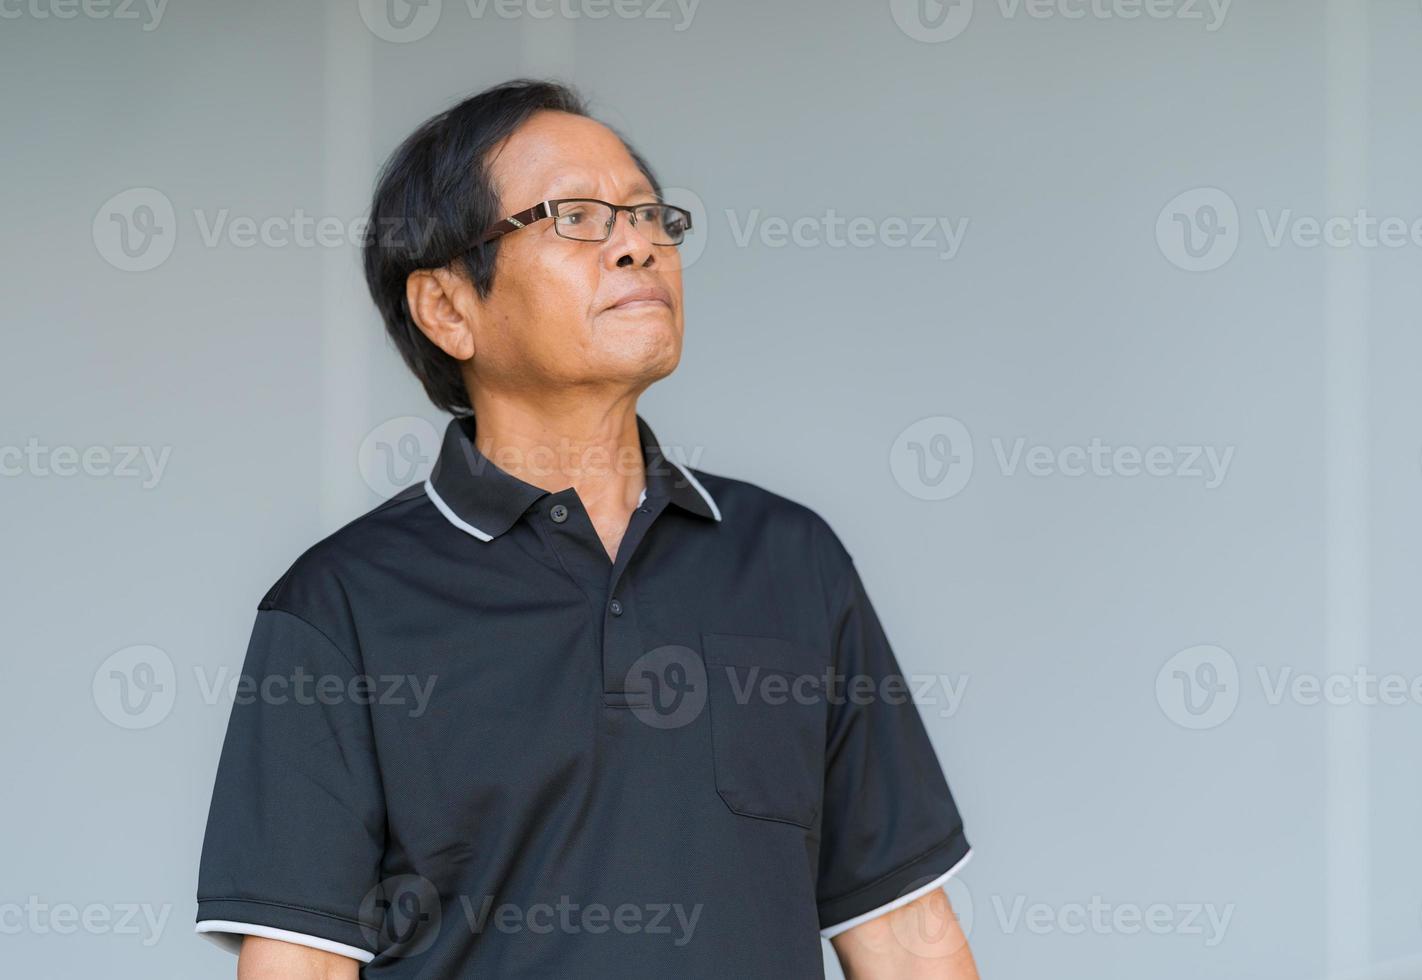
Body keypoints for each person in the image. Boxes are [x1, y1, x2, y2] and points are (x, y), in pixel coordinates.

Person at [195, 78, 978, 979]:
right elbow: (302, 965)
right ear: (448, 308)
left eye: (649, 216)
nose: (638, 245)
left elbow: (905, 931)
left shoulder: (792, 561)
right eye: (576, 217)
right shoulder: (339, 609)